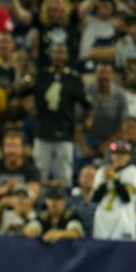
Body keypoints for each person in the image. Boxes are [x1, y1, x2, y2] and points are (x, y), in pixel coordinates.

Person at [32, 42, 90, 185]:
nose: (58, 56)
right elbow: (30, 96)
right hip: (43, 131)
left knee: (64, 174)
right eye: (56, 52)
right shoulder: (43, 75)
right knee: (39, 173)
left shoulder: (73, 78)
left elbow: (87, 103)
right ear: (50, 55)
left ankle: (65, 203)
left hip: (65, 132)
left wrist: (85, 121)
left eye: (62, 52)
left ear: (67, 56)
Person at [91, 140, 136, 240]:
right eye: (116, 153)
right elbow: (95, 198)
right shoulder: (102, 171)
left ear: (129, 156)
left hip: (124, 221)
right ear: (111, 155)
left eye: (123, 154)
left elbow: (127, 198)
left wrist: (115, 179)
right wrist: (105, 181)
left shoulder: (133, 172)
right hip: (102, 221)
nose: (119, 156)